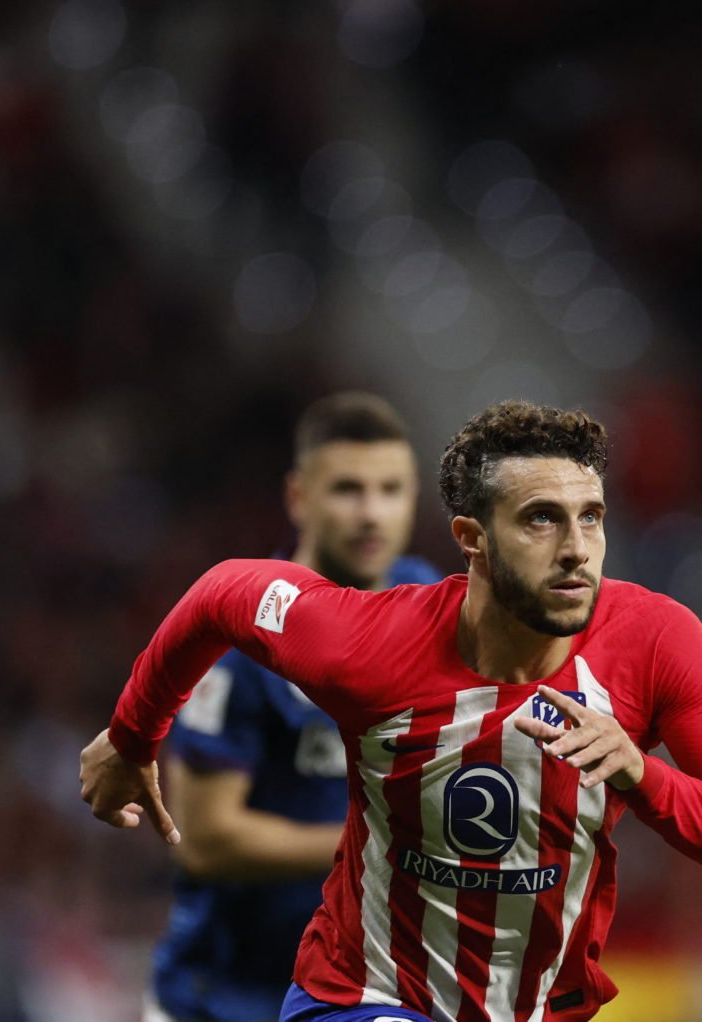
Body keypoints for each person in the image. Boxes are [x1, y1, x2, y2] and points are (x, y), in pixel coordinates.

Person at [81, 400, 702, 1022]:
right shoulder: (367, 643)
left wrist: (643, 774)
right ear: (472, 539)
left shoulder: (656, 640)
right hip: (368, 999)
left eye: (591, 517)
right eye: (541, 521)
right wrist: (133, 733)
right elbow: (226, 593)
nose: (578, 550)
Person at [148, 392, 443, 1022]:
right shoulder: (242, 632)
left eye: (391, 490)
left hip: (363, 993)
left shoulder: (435, 611)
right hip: (225, 996)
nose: (372, 514)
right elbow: (202, 840)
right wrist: (383, 844)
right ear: (298, 497)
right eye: (347, 490)